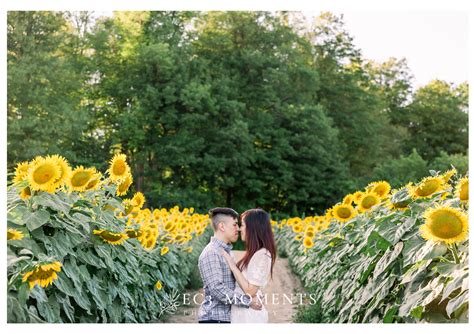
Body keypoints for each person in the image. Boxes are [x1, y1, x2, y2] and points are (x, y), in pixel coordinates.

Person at [197, 207, 262, 323]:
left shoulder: (227, 252)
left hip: (226, 318)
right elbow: (218, 290)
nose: (238, 229)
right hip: (214, 319)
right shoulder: (212, 252)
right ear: (222, 226)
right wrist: (248, 301)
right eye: (235, 225)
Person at [220, 208, 276, 323]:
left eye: (243, 225)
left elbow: (250, 291)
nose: (240, 229)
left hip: (249, 316)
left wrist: (232, 265)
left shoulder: (263, 255)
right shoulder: (255, 253)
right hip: (243, 311)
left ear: (253, 228)